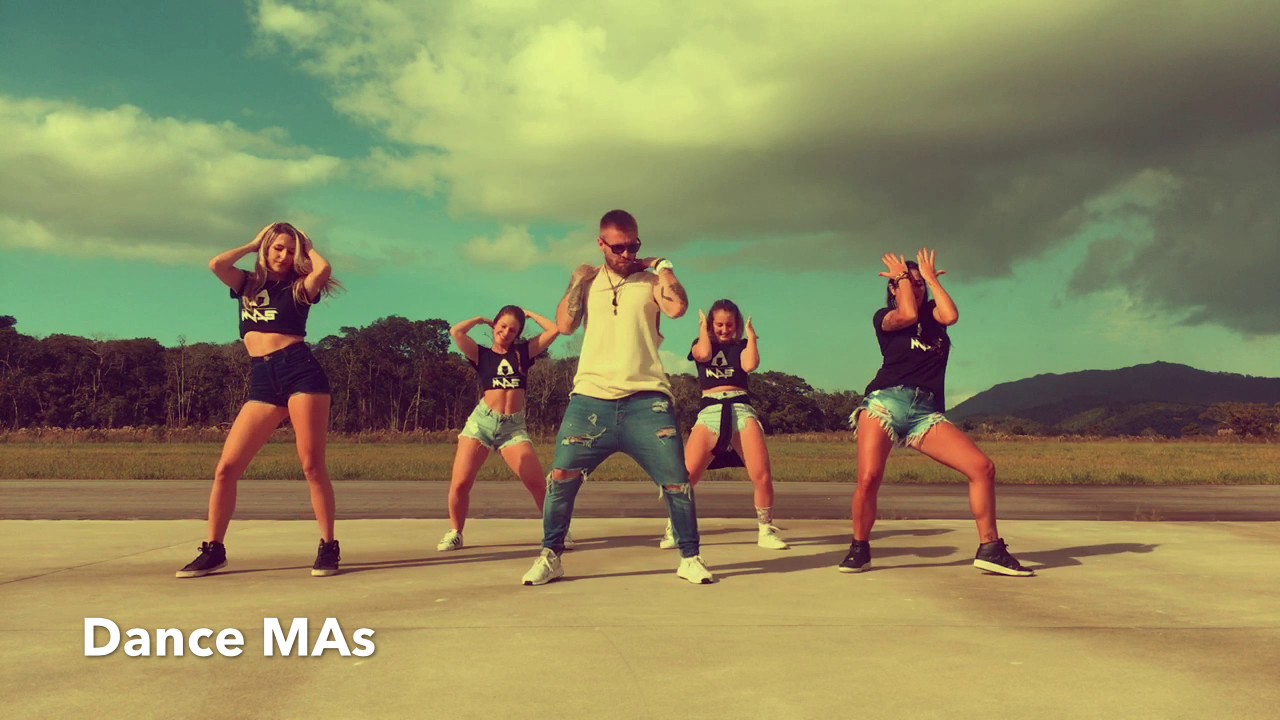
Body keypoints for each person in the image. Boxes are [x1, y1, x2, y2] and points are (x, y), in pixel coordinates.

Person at [520, 209, 714, 585]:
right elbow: (565, 324)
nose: (626, 254)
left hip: (647, 401)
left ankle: (690, 557)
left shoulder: (651, 279)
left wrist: (663, 265)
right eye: (618, 247)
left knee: (676, 480)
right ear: (601, 244)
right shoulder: (589, 281)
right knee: (560, 477)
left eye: (633, 246)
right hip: (591, 400)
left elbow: (678, 308)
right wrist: (577, 280)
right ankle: (550, 555)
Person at [839, 249, 1033, 576]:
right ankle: (860, 547)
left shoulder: (934, 316)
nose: (915, 289)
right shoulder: (884, 319)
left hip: (925, 412)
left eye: (919, 285)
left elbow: (951, 314)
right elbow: (907, 316)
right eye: (907, 284)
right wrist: (902, 279)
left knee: (982, 468)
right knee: (869, 478)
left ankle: (990, 548)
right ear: (893, 289)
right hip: (885, 402)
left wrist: (929, 279)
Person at [177, 222, 342, 578]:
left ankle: (328, 547)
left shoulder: (299, 288)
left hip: (301, 373)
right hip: (263, 380)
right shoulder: (247, 284)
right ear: (266, 250)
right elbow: (216, 264)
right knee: (226, 468)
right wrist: (253, 243)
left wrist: (307, 245)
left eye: (290, 250)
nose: (283, 256)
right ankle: (214, 549)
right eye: (277, 248)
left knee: (312, 466)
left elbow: (324, 270)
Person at [658, 299, 788, 550]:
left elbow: (750, 365)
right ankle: (675, 527)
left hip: (740, 409)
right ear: (710, 324)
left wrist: (751, 337)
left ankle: (765, 530)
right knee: (684, 476)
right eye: (718, 324)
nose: (724, 329)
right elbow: (704, 355)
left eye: (729, 325)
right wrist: (702, 329)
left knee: (761, 474)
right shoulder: (700, 344)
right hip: (710, 411)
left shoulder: (741, 345)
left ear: (736, 325)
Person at [438, 306, 565, 551]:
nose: (506, 332)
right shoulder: (481, 354)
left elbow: (555, 329)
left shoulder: (523, 353)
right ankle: (455, 532)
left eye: (513, 330)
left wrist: (529, 315)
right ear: (495, 325)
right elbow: (456, 332)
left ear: (518, 334)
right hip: (481, 424)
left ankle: (557, 532)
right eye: (502, 326)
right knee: (461, 483)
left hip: (513, 428)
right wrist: (478, 319)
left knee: (538, 483)